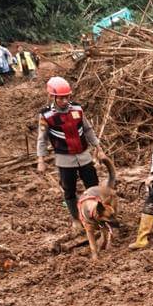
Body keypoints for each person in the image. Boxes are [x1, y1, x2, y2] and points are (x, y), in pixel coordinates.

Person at [36, 76, 102, 224]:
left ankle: (97, 213)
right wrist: (41, 160)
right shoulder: (46, 115)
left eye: (67, 97)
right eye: (61, 98)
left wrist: (98, 147)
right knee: (69, 190)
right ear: (52, 96)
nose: (65, 101)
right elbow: (42, 139)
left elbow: (87, 129)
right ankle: (77, 220)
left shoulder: (77, 109)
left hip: (84, 156)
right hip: (64, 159)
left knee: (93, 186)